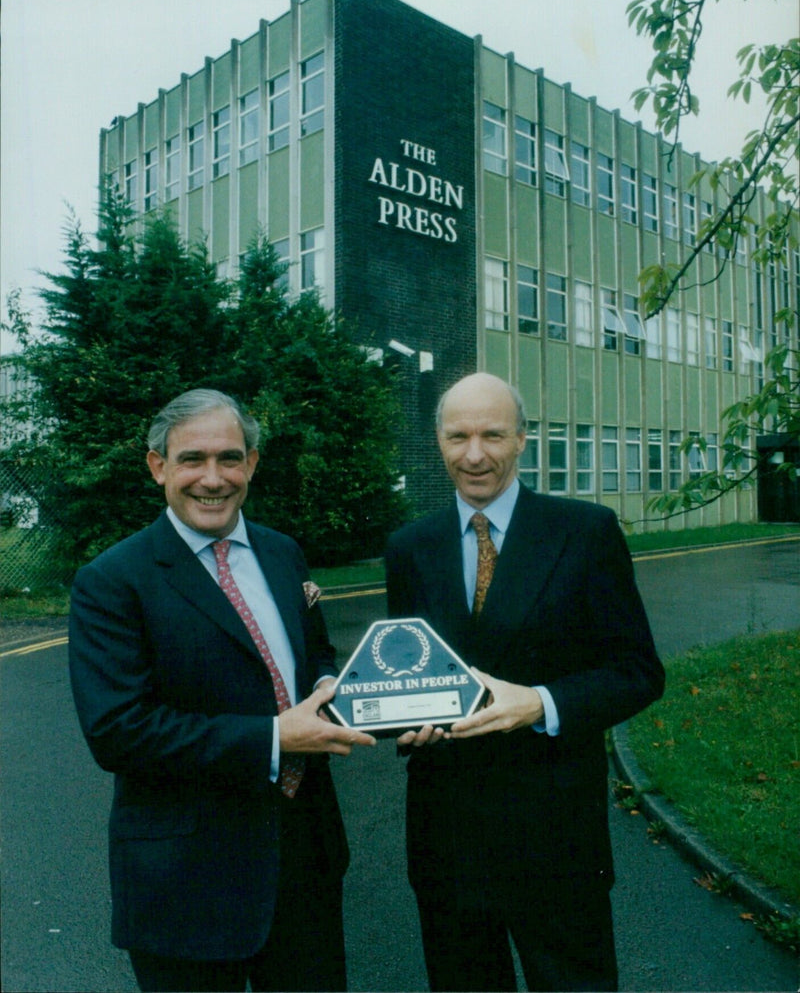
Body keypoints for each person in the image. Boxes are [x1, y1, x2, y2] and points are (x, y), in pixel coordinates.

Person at [69, 388, 375, 993]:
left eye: (230, 458)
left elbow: (311, 651)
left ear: (253, 464)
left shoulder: (283, 553)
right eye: (192, 459)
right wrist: (273, 736)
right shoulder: (111, 581)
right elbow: (119, 731)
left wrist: (328, 685)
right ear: (158, 466)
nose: (213, 478)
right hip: (186, 882)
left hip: (302, 862)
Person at [385, 372, 665, 992]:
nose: (474, 454)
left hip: (556, 836)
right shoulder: (410, 547)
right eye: (458, 436)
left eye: (492, 434)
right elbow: (406, 670)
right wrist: (403, 723)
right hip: (446, 837)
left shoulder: (585, 532)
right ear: (438, 442)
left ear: (522, 439)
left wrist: (539, 702)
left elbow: (638, 671)